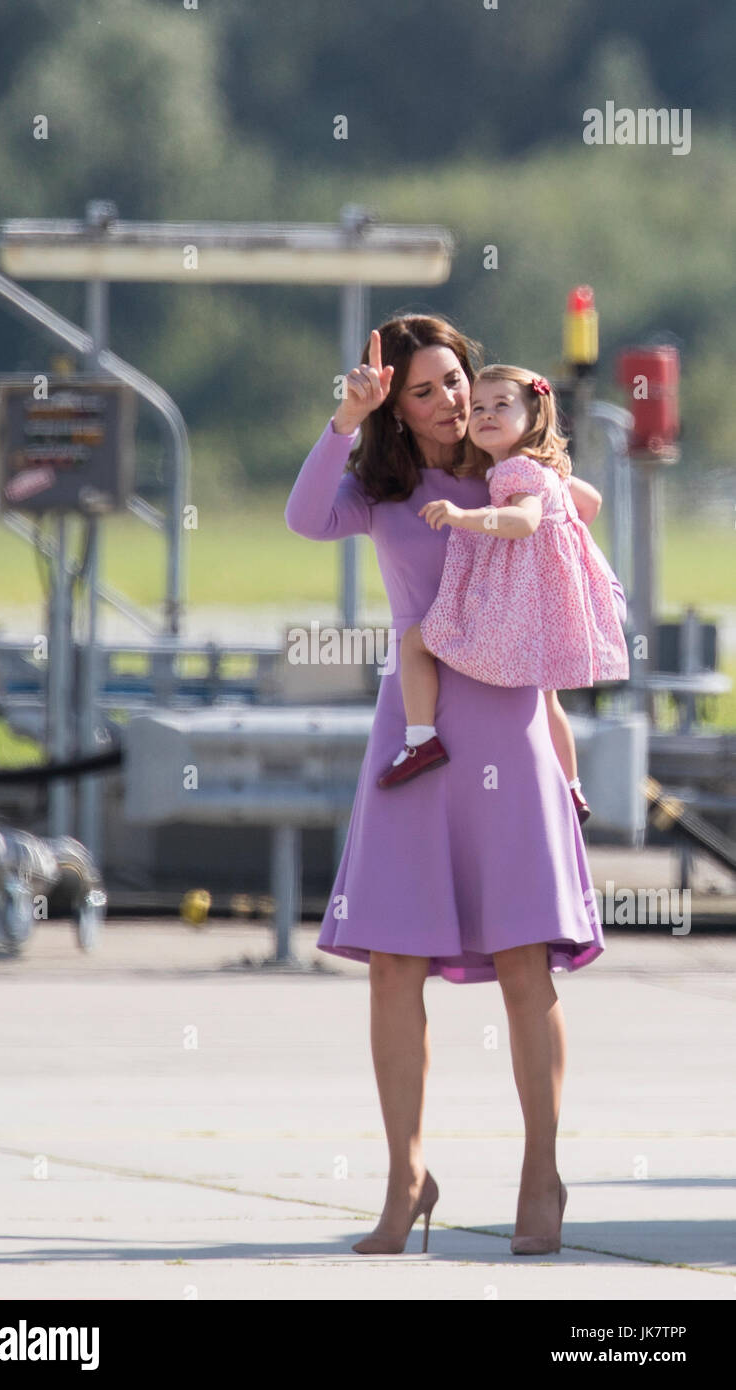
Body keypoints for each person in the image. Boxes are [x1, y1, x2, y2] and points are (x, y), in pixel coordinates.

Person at [284, 315, 626, 1258]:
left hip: (510, 728)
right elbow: (305, 519)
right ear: (396, 401)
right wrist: (342, 421)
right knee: (394, 964)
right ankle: (405, 1177)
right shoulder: (381, 488)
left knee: (525, 961)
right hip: (416, 737)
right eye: (424, 390)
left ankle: (541, 1173)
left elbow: (582, 511)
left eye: (458, 382)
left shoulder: (516, 472)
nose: (449, 403)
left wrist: (550, 475)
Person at [378, 364, 630, 825]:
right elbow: (589, 504)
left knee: (415, 642)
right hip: (554, 602)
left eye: (500, 406)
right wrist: (559, 546)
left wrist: (463, 516)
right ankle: (571, 788)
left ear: (532, 417)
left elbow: (525, 522)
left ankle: (420, 739)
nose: (485, 415)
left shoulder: (514, 472)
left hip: (522, 605)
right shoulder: (543, 468)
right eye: (477, 407)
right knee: (548, 700)